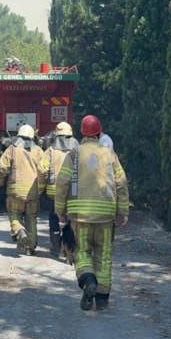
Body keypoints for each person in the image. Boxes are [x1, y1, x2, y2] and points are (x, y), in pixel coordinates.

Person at [55, 115, 129, 311]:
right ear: (99, 132)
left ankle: (88, 281)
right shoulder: (110, 154)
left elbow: (62, 182)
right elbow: (121, 183)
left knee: (81, 251)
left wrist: (60, 210)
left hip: (80, 216)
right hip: (106, 217)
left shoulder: (74, 153)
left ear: (82, 132)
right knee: (104, 256)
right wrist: (123, 211)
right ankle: (102, 299)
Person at [0, 124, 45, 255]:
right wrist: (42, 188)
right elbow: (44, 170)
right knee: (31, 219)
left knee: (14, 214)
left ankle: (19, 230)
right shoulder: (38, 151)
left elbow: (2, 168)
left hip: (15, 193)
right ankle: (30, 248)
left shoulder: (12, 149)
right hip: (33, 193)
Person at [39, 121, 79, 258]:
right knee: (72, 219)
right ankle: (70, 247)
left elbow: (42, 170)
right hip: (74, 192)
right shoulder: (78, 151)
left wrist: (40, 188)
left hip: (54, 192)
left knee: (53, 217)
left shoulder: (50, 151)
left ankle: (56, 247)